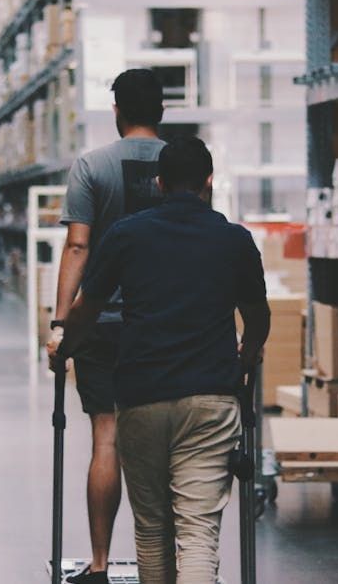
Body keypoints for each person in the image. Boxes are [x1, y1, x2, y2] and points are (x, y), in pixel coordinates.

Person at [52, 137, 271, 584]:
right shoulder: (235, 240)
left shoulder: (126, 236)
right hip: (211, 399)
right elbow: (258, 318)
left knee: (152, 532)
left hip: (142, 399)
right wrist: (245, 358)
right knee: (197, 531)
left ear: (159, 183)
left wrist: (63, 345)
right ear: (209, 182)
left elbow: (88, 309)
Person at [49, 68, 167, 584]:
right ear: (161, 110)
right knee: (163, 441)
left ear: (116, 110)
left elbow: (78, 245)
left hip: (102, 321)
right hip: (163, 322)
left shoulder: (91, 166)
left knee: (107, 438)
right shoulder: (183, 163)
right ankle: (160, 565)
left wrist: (60, 323)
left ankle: (99, 565)